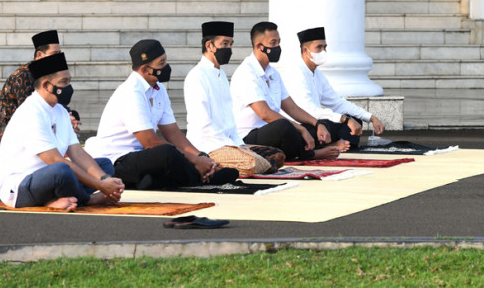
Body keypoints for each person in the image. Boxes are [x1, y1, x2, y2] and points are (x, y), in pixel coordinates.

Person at [85, 39, 238, 190]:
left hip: (141, 156)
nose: (166, 67)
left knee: (175, 156)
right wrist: (194, 161)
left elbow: (174, 133)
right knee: (166, 153)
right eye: (161, 63)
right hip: (116, 160)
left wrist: (201, 157)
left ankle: (151, 181)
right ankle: (204, 179)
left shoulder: (159, 90)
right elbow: (150, 142)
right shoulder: (131, 92)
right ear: (145, 69)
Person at [0, 52, 124, 209]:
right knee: (62, 170)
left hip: (51, 176)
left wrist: (104, 179)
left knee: (104, 165)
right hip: (18, 187)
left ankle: (56, 199)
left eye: (69, 81)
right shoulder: (31, 112)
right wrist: (100, 185)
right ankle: (87, 199)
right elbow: (55, 160)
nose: (68, 87)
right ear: (45, 85)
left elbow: (77, 153)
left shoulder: (60, 111)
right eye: (64, 82)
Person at [231, 21, 343, 161]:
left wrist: (318, 123)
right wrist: (300, 129)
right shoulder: (246, 72)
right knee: (284, 127)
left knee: (321, 125)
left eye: (279, 42)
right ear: (259, 46)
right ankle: (311, 154)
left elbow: (292, 108)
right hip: (249, 136)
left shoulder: (273, 73)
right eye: (273, 43)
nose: (278, 47)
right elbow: (265, 113)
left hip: (275, 131)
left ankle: (306, 148)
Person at [184, 21, 284, 176]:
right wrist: (232, 146)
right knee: (254, 163)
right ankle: (211, 164)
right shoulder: (197, 76)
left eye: (231, 44)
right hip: (209, 145)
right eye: (224, 43)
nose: (229, 49)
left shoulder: (221, 75)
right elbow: (203, 124)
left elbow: (229, 119)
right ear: (210, 46)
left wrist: (239, 144)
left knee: (277, 156)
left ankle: (225, 165)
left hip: (229, 142)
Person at [280, 27, 386, 152]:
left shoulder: (317, 74)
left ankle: (339, 146)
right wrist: (344, 119)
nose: (323, 51)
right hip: (300, 126)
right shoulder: (296, 72)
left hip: (317, 122)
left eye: (324, 47)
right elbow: (308, 111)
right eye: (318, 47)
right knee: (332, 124)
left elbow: (337, 102)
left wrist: (371, 117)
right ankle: (330, 146)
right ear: (305, 50)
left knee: (354, 120)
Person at [0, 30, 61, 122]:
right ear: (39, 55)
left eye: (59, 53)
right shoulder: (23, 75)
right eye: (54, 54)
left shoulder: (47, 72)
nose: (58, 58)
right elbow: (28, 110)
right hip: (16, 125)